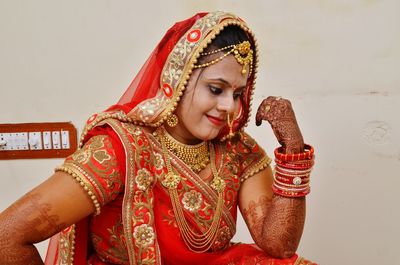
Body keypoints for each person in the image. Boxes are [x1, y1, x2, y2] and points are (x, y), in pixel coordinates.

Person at [0, 11, 316, 265]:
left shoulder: (237, 150)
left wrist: (293, 148)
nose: (229, 107)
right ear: (176, 79)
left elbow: (278, 244)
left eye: (237, 93)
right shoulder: (121, 148)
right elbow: (8, 235)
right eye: (216, 89)